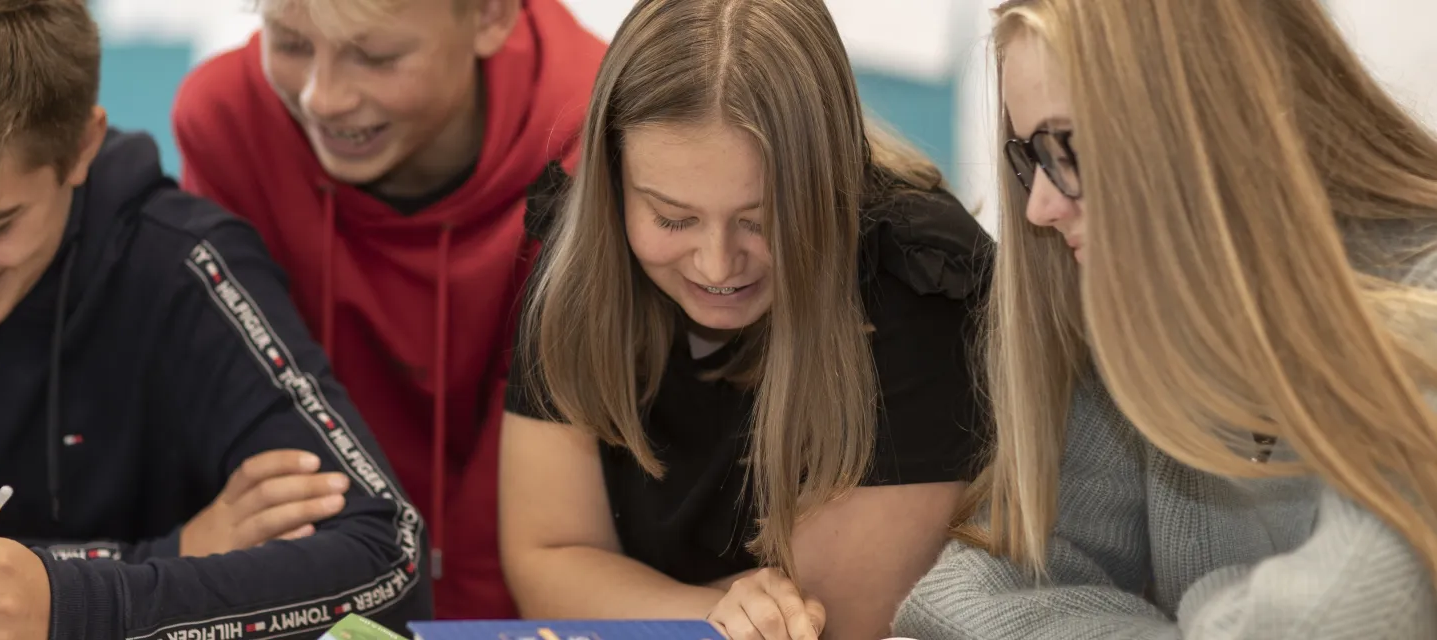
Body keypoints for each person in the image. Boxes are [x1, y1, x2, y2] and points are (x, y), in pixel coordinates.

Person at [0, 0, 430, 636]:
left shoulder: (182, 261)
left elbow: (389, 562)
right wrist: (156, 563)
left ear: (82, 147)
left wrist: (71, 601)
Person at [894, 0, 1437, 637]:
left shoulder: (1421, 297)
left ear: (1203, 120)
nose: (1038, 206)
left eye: (1063, 147)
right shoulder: (1148, 308)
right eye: (1029, 156)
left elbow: (1334, 621)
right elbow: (966, 595)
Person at [497, 1, 994, 638]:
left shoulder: (918, 281)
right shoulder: (585, 252)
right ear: (613, 183)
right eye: (673, 218)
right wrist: (709, 614)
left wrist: (623, 602)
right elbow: (545, 565)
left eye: (763, 220)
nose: (717, 263)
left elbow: (834, 622)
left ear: (835, 184)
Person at [170, 0, 604, 619]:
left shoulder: (600, 136)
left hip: (529, 550)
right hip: (326, 572)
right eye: (291, 43)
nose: (323, 98)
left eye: (375, 56)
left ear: (488, 17)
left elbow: (530, 481)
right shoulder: (227, 122)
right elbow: (263, 414)